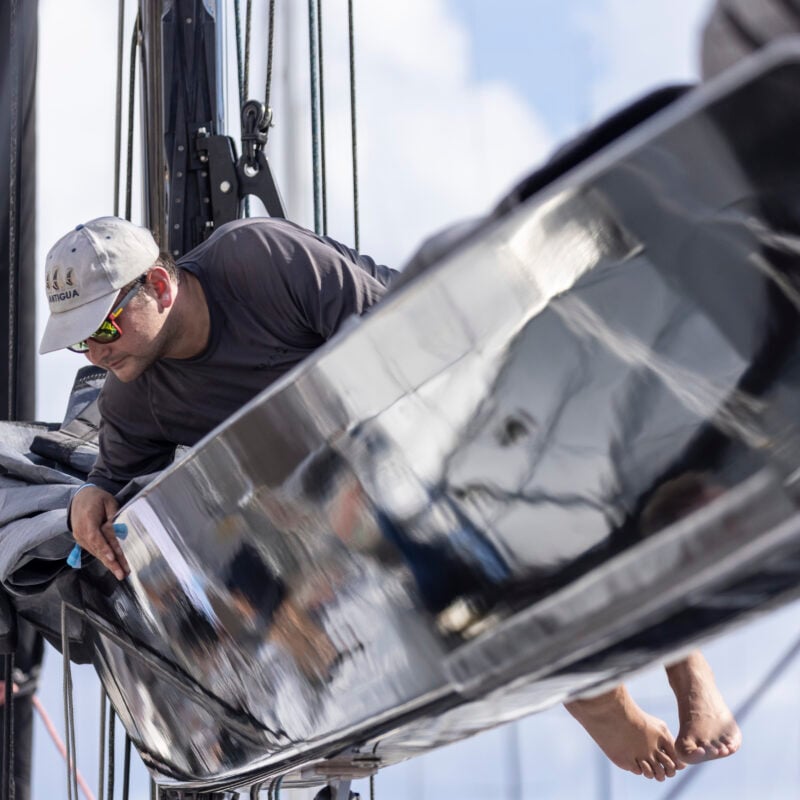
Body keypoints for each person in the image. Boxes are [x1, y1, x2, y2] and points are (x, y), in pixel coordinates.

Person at [39, 215, 396, 580]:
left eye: (103, 328)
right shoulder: (130, 398)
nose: (95, 356)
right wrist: (88, 496)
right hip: (355, 494)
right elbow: (109, 485)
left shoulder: (260, 258)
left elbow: (396, 340)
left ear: (159, 286)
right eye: (80, 342)